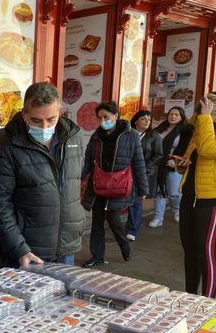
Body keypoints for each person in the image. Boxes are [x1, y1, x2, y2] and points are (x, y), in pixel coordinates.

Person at [0, 82, 85, 268]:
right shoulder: (6, 144)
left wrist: (77, 225)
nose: (44, 126)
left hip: (65, 248)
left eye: (51, 119)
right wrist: (18, 248)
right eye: (36, 120)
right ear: (24, 114)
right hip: (25, 252)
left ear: (60, 112)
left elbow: (74, 185)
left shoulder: (73, 137)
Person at [81, 101, 149, 267]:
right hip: (98, 184)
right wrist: (81, 177)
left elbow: (138, 162)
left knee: (113, 219)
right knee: (97, 220)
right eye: (100, 118)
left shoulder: (130, 134)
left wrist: (143, 188)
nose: (103, 121)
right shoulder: (96, 135)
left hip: (119, 184)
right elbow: (89, 159)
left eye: (106, 117)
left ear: (116, 116)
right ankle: (97, 256)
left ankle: (124, 246)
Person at [174, 94, 216, 298]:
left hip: (211, 201)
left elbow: (207, 149)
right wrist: (181, 164)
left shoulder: (211, 132)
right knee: (190, 252)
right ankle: (190, 297)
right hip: (189, 197)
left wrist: (204, 120)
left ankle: (208, 302)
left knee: (206, 252)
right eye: (199, 110)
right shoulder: (200, 130)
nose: (200, 114)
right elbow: (188, 159)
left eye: (206, 110)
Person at [148, 106, 193, 227]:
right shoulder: (161, 128)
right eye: (171, 114)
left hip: (173, 164)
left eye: (176, 115)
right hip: (158, 164)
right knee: (160, 191)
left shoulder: (186, 130)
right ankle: (158, 218)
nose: (173, 117)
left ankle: (177, 210)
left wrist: (176, 161)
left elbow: (185, 149)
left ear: (181, 117)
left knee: (174, 192)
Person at [125, 110, 163, 241]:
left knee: (136, 200)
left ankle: (132, 229)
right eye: (144, 119)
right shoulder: (128, 134)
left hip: (143, 173)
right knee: (127, 199)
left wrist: (144, 168)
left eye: (149, 119)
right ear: (136, 120)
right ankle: (135, 222)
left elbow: (158, 155)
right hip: (126, 172)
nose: (147, 121)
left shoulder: (155, 136)